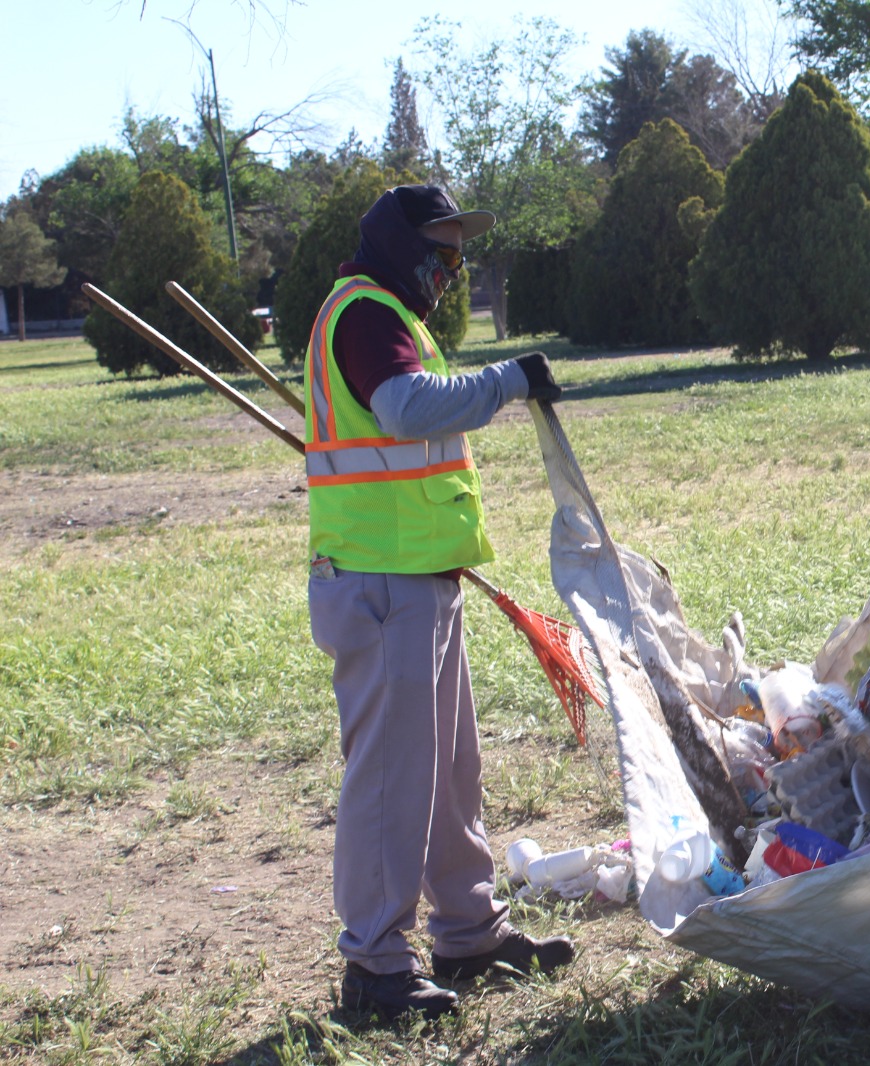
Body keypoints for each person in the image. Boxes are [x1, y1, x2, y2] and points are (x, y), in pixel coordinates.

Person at [305, 184, 575, 1020]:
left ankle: (469, 933)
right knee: (393, 780)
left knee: (451, 772)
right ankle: (376, 968)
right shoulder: (365, 313)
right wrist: (508, 379)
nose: (452, 270)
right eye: (442, 251)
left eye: (461, 255)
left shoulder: (394, 314)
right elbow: (404, 409)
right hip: (380, 583)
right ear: (398, 244)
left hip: (422, 576)